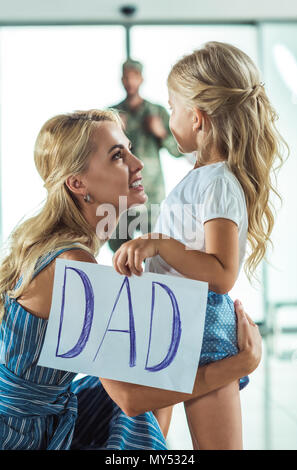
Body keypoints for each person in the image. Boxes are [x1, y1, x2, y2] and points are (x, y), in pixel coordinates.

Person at [0, 109, 261, 451]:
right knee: (150, 378)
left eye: (130, 149)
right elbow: (130, 398)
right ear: (78, 184)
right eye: (118, 156)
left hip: (43, 416)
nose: (138, 164)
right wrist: (240, 364)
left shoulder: (62, 247)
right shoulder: (74, 262)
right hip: (20, 437)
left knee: (157, 350)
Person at [112, 42, 287, 449]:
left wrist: (159, 244)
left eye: (171, 107)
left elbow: (222, 274)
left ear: (198, 118)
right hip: (176, 321)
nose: (167, 116)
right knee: (149, 443)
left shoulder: (219, 182)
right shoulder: (203, 177)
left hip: (202, 329)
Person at [108, 59, 183, 253]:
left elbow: (178, 151)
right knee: (120, 249)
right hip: (122, 194)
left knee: (153, 252)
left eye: (134, 76)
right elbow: (99, 154)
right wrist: (113, 132)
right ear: (121, 80)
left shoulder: (156, 111)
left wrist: (161, 133)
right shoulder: (112, 115)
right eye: (126, 77)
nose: (130, 82)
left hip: (152, 195)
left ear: (141, 79)